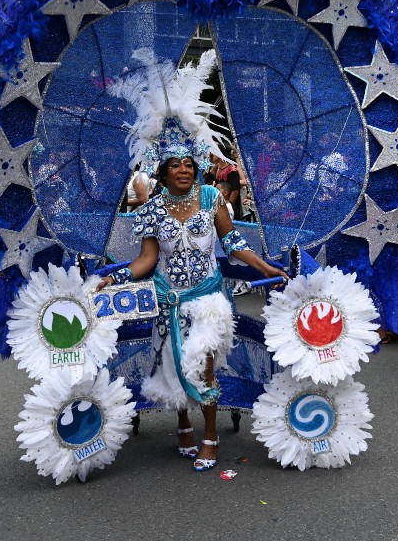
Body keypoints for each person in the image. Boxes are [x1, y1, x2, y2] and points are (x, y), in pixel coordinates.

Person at [96, 154, 288, 470]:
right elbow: (146, 258)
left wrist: (266, 267)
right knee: (173, 364)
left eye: (188, 164)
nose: (183, 170)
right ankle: (184, 423)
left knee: (203, 366)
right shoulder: (153, 210)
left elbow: (233, 242)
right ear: (163, 172)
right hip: (169, 299)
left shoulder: (212, 198)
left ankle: (210, 436)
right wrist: (116, 277)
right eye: (175, 165)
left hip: (208, 299)